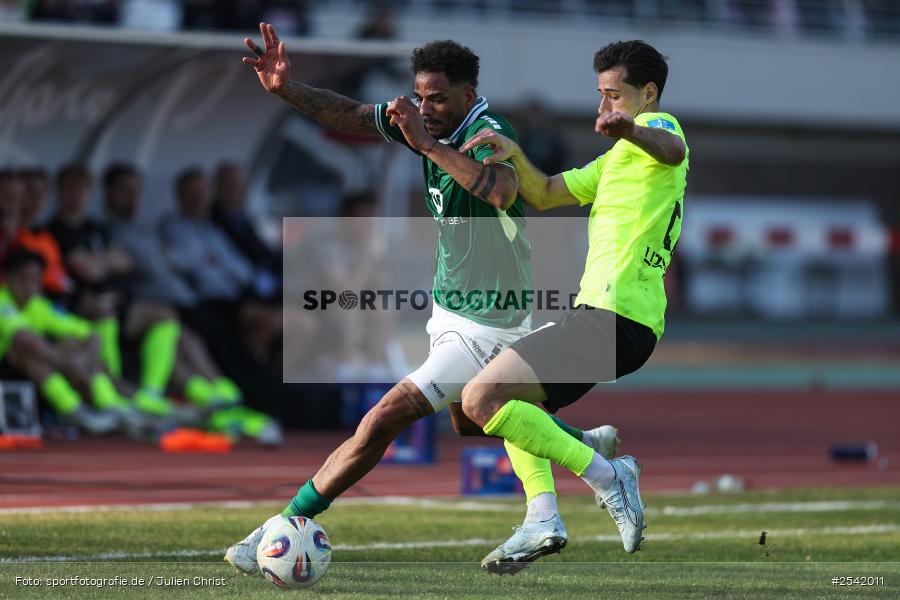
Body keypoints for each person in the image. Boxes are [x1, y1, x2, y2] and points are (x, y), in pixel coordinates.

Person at [225, 23, 619, 575]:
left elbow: (503, 190)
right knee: (469, 422)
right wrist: (287, 89)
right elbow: (349, 115)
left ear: (469, 93)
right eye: (421, 95)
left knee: (382, 418)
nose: (426, 107)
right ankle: (581, 442)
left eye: (438, 97)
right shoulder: (418, 119)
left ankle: (283, 523)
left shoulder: (487, 129)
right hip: (451, 307)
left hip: (490, 318)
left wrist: (427, 144)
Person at [457, 40, 689, 555]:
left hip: (619, 317)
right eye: (600, 95)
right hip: (607, 319)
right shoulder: (612, 163)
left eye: (614, 95)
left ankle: (608, 475)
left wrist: (632, 128)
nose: (604, 106)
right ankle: (543, 514)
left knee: (479, 397)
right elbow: (541, 193)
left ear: (647, 95)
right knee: (509, 403)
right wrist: (513, 152)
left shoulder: (662, 130)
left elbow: (669, 149)